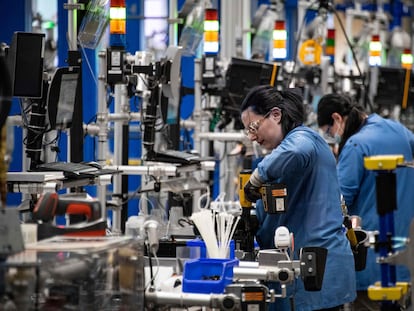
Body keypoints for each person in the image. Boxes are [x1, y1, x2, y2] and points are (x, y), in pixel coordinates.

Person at [241, 85, 356, 311]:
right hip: (301, 269)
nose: (252, 136)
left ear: (276, 115)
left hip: (315, 270)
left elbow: (296, 151)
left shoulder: (303, 139)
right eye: (248, 131)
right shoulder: (285, 151)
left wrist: (256, 178)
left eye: (254, 126)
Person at [317, 93, 414, 310]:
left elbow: (339, 202)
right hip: (406, 256)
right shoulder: (399, 130)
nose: (332, 137)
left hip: (370, 259)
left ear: (337, 118)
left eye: (328, 131)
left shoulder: (356, 145)